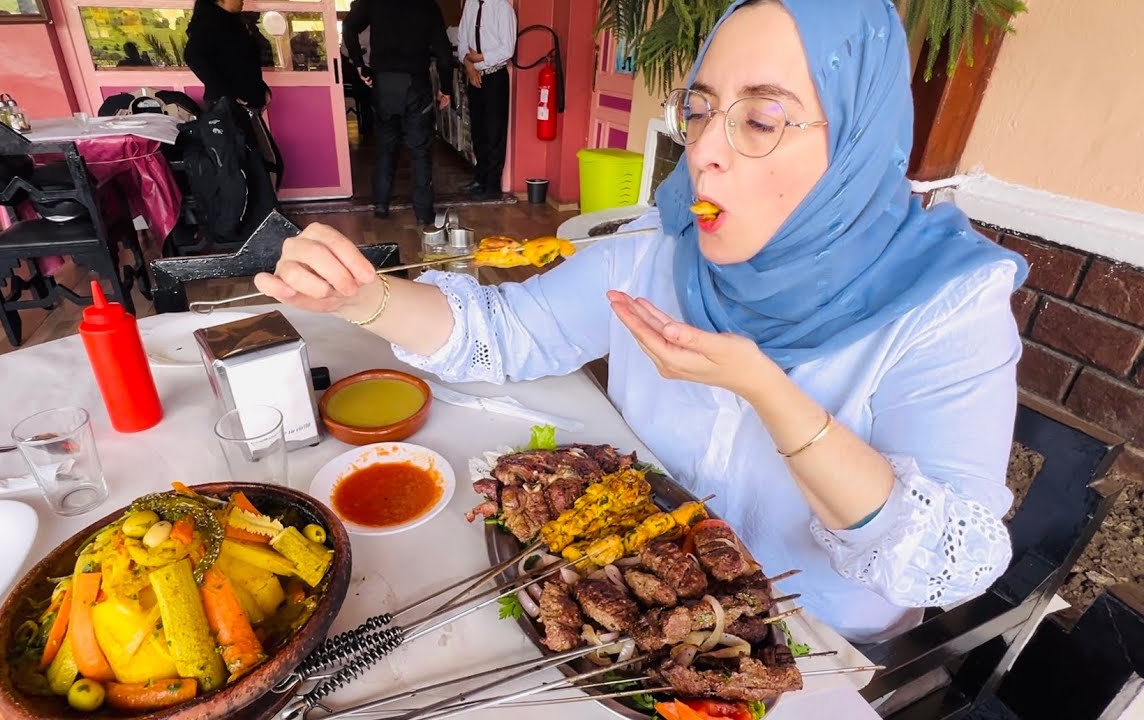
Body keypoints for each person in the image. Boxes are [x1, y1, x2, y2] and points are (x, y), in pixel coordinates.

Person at [254, 0, 1030, 643]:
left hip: (809, 646)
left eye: (761, 120)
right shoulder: (659, 251)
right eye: (699, 111)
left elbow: (941, 568)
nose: (704, 154)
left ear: (858, 138)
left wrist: (770, 393)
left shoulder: (947, 307)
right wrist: (365, 300)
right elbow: (508, 333)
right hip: (627, 602)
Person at [343, 0, 454, 225]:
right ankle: (424, 215)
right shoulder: (428, 6)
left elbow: (349, 27)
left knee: (385, 146)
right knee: (420, 150)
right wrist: (446, 89)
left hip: (383, 83)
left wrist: (358, 64)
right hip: (415, 84)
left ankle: (381, 204)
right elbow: (444, 54)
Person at [185, 0, 282, 188]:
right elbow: (193, 56)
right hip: (229, 108)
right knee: (254, 163)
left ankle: (262, 209)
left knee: (259, 161)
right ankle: (257, 212)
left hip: (246, 104)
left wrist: (261, 88)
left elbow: (241, 63)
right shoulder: (211, 22)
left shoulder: (231, 22)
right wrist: (226, 93)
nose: (242, 0)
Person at [458, 0, 516, 197]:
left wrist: (481, 58)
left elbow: (507, 49)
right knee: (478, 131)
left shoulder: (503, 8)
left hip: (494, 76)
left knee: (494, 132)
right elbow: (462, 41)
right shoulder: (470, 5)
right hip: (474, 75)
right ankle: (480, 179)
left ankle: (492, 187)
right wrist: (470, 68)